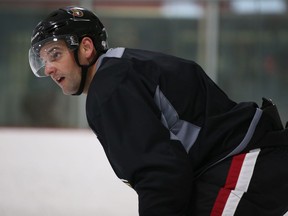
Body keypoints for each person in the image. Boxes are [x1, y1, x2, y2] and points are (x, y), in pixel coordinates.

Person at [28, 6, 288, 216]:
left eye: (55, 54)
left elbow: (160, 173)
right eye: (44, 60)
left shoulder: (110, 87)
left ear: (85, 48)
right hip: (250, 163)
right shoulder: (122, 68)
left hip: (245, 167)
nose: (49, 68)